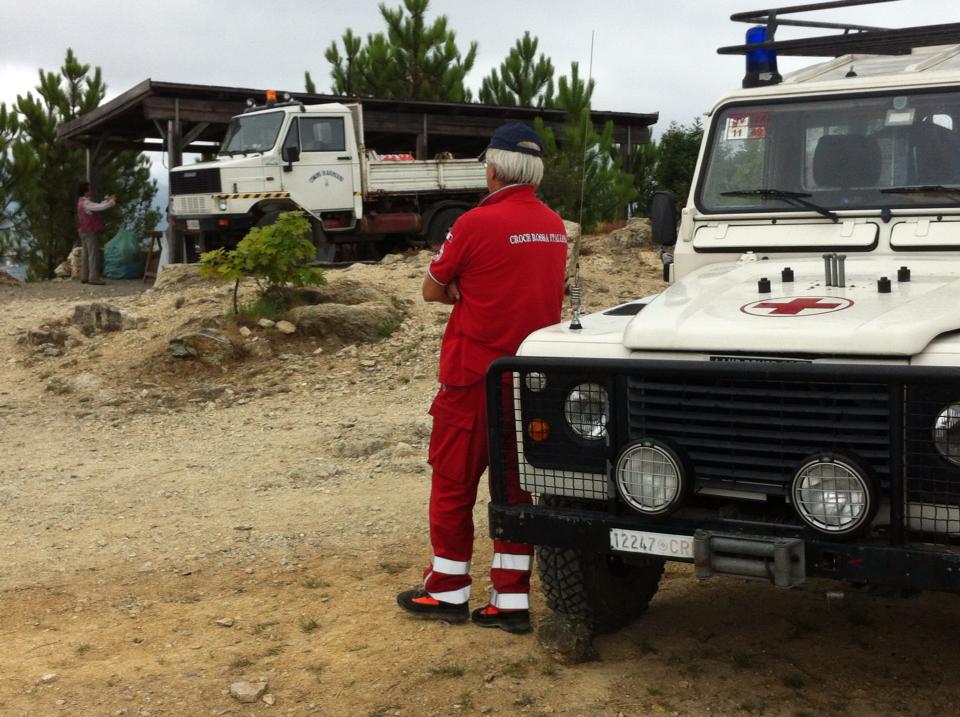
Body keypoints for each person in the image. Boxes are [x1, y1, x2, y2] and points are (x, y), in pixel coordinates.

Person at [397, 123, 567, 634]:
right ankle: (510, 600)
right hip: (529, 378)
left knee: (453, 482)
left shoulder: (473, 224)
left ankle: (447, 587)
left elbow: (432, 289)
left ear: (493, 169)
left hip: (473, 378)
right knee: (516, 489)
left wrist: (462, 295)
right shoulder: (554, 225)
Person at [76, 182, 116, 285]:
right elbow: (99, 207)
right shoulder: (86, 203)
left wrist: (106, 201)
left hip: (83, 231)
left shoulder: (81, 202)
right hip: (90, 231)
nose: (91, 191)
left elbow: (97, 205)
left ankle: (84, 276)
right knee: (93, 254)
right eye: (89, 189)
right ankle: (93, 277)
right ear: (85, 191)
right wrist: (111, 202)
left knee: (86, 254)